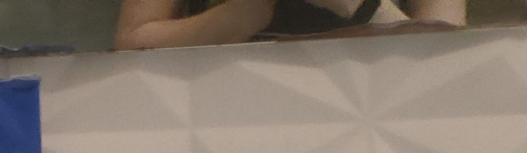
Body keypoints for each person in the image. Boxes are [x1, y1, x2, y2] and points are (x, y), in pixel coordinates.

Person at [115, 0, 465, 49]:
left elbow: (454, 57)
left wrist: (360, 7)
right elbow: (132, 41)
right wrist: (239, 16)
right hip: (228, 119)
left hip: (378, 127)